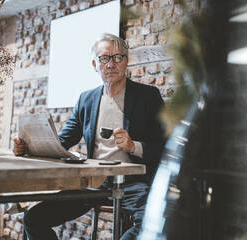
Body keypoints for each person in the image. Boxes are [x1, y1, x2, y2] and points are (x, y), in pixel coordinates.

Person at [13, 33, 165, 240]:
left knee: (153, 223)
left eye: (117, 57)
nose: (110, 64)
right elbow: (62, 142)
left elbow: (163, 147)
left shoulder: (148, 96)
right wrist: (28, 147)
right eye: (104, 58)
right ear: (95, 64)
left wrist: (133, 146)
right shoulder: (87, 99)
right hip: (94, 182)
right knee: (34, 218)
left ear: (126, 61)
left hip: (134, 182)